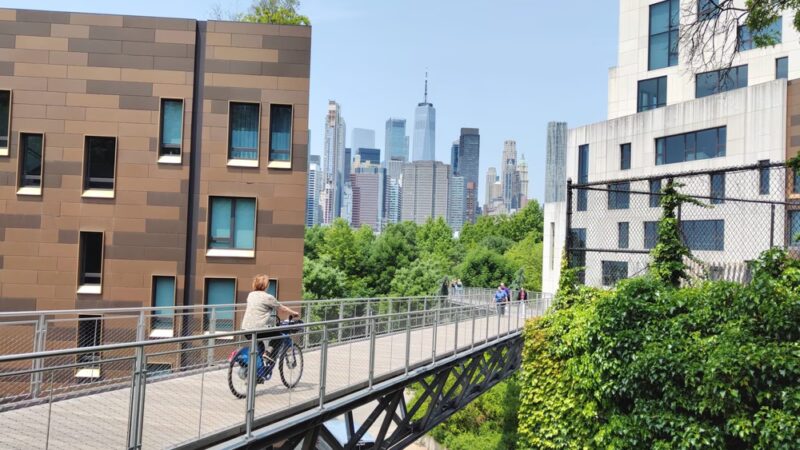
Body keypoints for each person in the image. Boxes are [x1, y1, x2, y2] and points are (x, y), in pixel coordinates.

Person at [241, 274, 300, 362]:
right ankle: (268, 354)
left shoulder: (251, 295)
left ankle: (260, 370)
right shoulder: (268, 297)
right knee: (279, 336)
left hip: (246, 329)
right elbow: (282, 308)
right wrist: (294, 313)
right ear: (266, 285)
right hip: (258, 329)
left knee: (259, 347)